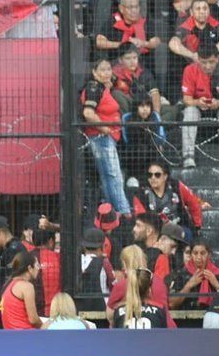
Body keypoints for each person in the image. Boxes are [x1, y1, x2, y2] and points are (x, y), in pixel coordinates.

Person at [81, 58, 132, 214]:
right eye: (102, 70)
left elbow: (115, 79)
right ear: (94, 72)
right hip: (101, 138)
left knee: (110, 176)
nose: (107, 73)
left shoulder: (102, 87)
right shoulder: (94, 88)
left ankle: (115, 213)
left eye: (109, 69)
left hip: (106, 138)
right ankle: (123, 212)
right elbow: (88, 113)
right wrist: (105, 129)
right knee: (113, 176)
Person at [179, 42, 219, 168]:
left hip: (218, 106)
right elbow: (186, 99)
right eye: (203, 62)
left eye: (211, 62)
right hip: (197, 106)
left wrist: (217, 103)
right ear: (198, 60)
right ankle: (188, 156)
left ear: (217, 58)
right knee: (189, 111)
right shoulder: (189, 70)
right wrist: (197, 102)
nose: (207, 66)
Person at [130, 161, 206, 239]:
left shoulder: (176, 186)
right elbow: (142, 220)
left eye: (157, 175)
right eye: (150, 175)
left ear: (165, 176)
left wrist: (197, 226)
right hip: (155, 233)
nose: (153, 178)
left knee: (187, 234)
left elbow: (193, 203)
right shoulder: (140, 194)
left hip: (179, 228)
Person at [168, 239, 219, 310]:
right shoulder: (181, 275)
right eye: (195, 253)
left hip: (212, 317)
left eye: (202, 253)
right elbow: (172, 304)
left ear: (209, 254)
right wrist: (188, 286)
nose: (199, 257)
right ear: (191, 255)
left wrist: (217, 285)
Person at [0, 251, 42, 329]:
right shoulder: (27, 286)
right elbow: (33, 319)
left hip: (11, 336)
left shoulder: (8, 284)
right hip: (26, 336)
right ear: (29, 268)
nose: (39, 268)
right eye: (37, 265)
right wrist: (45, 326)